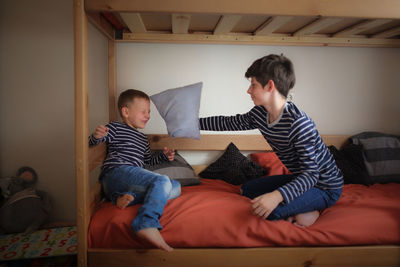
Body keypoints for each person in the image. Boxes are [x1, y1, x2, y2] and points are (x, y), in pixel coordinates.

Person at [199, 54, 343, 227]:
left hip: (324, 186)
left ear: (270, 86)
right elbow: (229, 122)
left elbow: (311, 175)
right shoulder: (259, 114)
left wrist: (277, 196)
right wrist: (193, 123)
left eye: (253, 85)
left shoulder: (299, 124)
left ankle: (313, 210)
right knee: (247, 190)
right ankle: (299, 207)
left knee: (267, 211)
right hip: (300, 179)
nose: (248, 91)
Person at [89, 89, 180, 251]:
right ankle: (146, 222)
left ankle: (121, 198)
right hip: (116, 173)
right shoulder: (115, 128)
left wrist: (164, 157)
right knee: (162, 181)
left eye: (149, 112)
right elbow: (94, 142)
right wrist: (96, 136)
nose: (148, 115)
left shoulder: (142, 138)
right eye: (143, 111)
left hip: (129, 184)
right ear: (125, 112)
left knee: (176, 187)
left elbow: (148, 161)